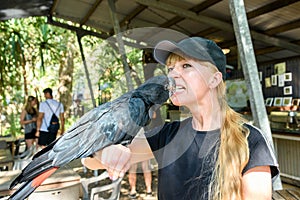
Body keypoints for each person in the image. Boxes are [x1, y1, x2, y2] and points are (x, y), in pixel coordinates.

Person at [82, 37, 279, 200]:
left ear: (214, 79)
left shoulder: (250, 141)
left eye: (185, 65)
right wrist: (105, 151)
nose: (173, 75)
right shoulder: (168, 135)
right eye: (170, 68)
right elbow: (90, 163)